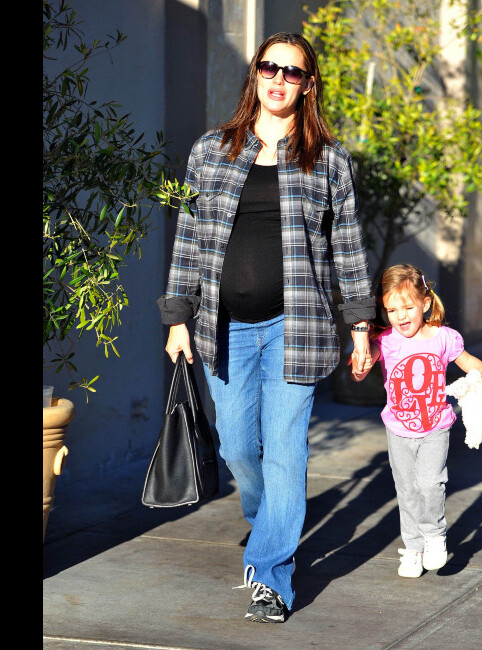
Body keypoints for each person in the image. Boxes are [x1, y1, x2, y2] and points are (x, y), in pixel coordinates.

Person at [157, 32, 375, 622]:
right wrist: (178, 317)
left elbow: (348, 248)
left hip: (294, 325)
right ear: (254, 75)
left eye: (293, 72)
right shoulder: (211, 151)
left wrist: (360, 325)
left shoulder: (328, 159)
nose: (279, 79)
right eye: (269, 68)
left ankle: (272, 575)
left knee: (285, 453)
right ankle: (267, 521)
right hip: (223, 326)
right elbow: (188, 240)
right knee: (236, 446)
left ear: (308, 86)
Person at [349, 263, 482, 578]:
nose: (400, 316)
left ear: (425, 303)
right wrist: (361, 365)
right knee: (407, 489)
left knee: (430, 484)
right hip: (398, 430)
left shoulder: (444, 338)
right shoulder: (387, 340)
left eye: (408, 307)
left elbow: (467, 361)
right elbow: (365, 363)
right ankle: (413, 548)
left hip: (435, 428)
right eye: (391, 310)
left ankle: (434, 535)